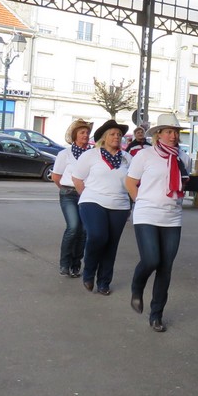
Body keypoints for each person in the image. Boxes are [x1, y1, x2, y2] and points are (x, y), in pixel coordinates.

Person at [125, 113, 192, 333]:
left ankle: (156, 315)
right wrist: (141, 202)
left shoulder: (184, 158)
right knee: (151, 259)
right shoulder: (145, 155)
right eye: (169, 132)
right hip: (147, 215)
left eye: (176, 132)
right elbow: (130, 182)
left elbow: (183, 184)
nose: (173, 136)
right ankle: (137, 286)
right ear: (158, 134)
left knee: (166, 267)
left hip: (172, 217)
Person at [71, 119, 132, 296]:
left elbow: (134, 181)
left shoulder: (127, 158)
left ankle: (104, 282)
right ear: (104, 137)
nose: (116, 137)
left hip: (120, 205)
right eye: (112, 134)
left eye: (119, 134)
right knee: (98, 235)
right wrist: (87, 196)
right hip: (93, 201)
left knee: (111, 244)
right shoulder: (91, 155)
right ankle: (89, 272)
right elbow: (77, 179)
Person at [51, 119, 93, 278]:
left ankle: (76, 264)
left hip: (87, 194)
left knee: (84, 231)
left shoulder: (92, 154)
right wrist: (65, 189)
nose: (85, 135)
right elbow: (56, 176)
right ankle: (64, 263)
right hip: (68, 194)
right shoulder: (65, 154)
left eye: (87, 132)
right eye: (82, 132)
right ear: (75, 135)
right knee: (73, 227)